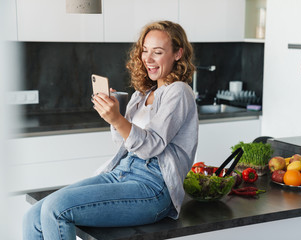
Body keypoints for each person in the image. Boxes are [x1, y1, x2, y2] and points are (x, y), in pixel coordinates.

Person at [23, 20, 198, 240]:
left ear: (177, 53)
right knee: (33, 215)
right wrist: (117, 115)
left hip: (153, 187)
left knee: (57, 209)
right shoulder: (141, 95)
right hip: (121, 173)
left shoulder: (179, 92)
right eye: (145, 51)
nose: (148, 59)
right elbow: (124, 144)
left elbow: (151, 146)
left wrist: (117, 119)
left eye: (158, 52)